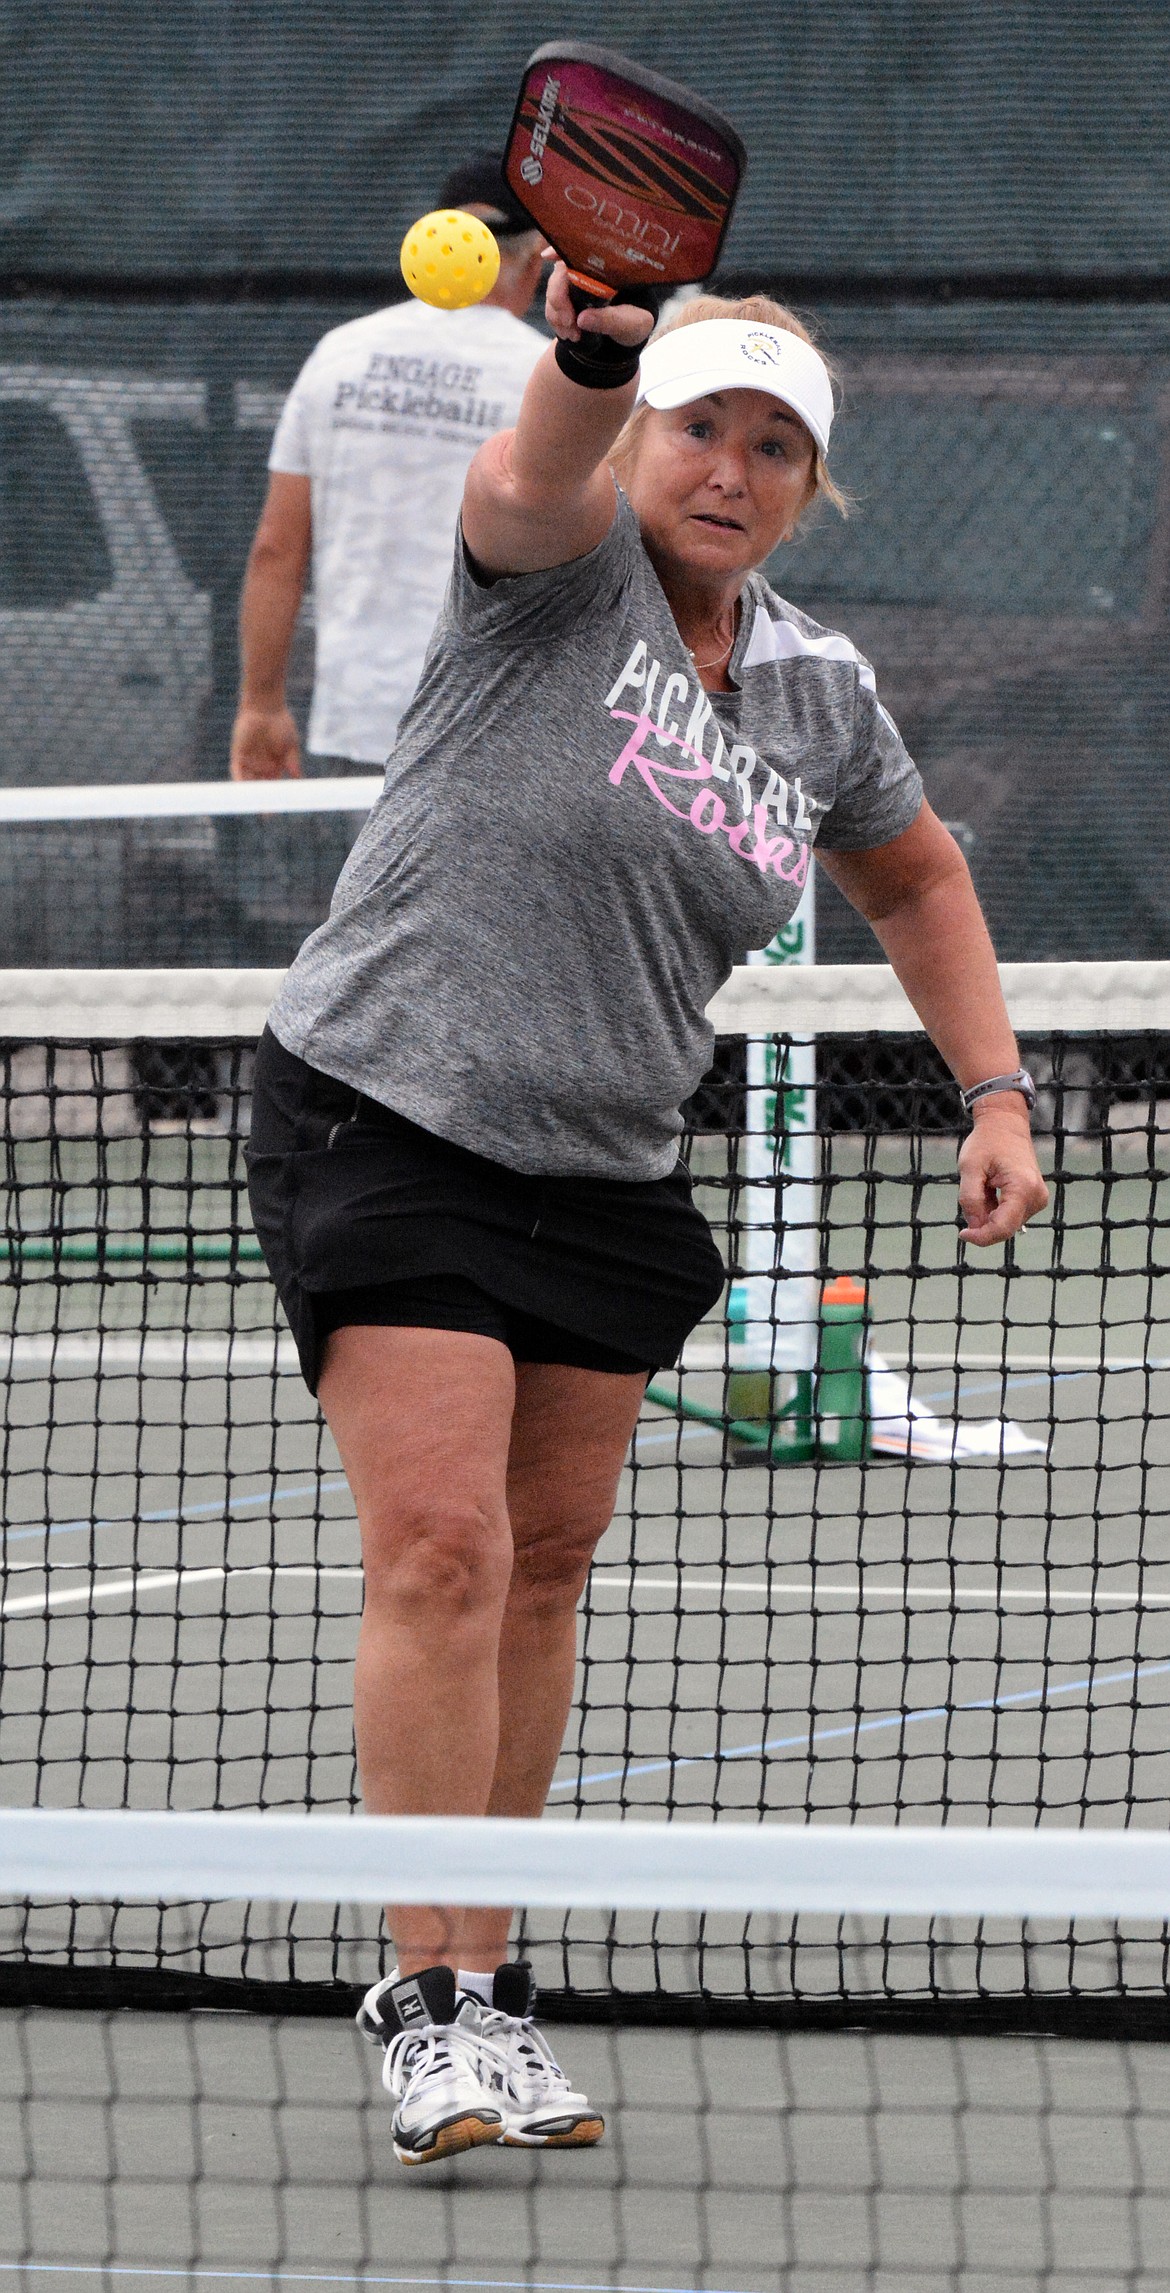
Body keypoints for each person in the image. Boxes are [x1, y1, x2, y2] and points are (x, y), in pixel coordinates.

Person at [245, 274, 1049, 2165]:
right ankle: (421, 1996)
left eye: (777, 446)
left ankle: (498, 1988)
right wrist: (597, 355)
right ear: (645, 435)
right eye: (702, 426)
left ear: (811, 484)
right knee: (436, 1549)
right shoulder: (556, 568)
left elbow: (918, 874)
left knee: (540, 1567)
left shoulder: (816, 689)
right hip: (389, 1113)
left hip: (604, 1169)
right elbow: (531, 467)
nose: (734, 468)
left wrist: (994, 1086)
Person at [229, 158, 546, 783]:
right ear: (536, 262)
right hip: (499, 722)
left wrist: (261, 704)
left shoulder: (339, 355)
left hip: (360, 717)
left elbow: (276, 551)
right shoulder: (550, 381)